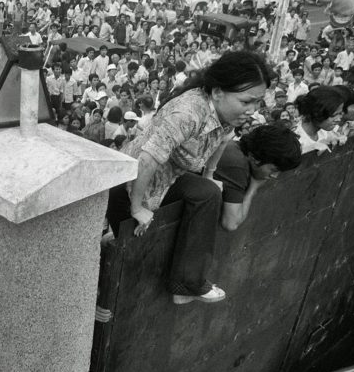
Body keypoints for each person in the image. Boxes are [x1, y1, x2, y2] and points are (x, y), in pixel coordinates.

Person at [106, 51, 270, 305]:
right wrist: (136, 208)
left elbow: (221, 140)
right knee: (136, 259)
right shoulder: (188, 114)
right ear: (217, 92)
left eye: (257, 102)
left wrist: (209, 175)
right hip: (130, 184)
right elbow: (147, 160)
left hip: (168, 178)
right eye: (247, 101)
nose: (252, 110)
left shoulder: (226, 114)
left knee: (207, 192)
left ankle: (186, 283)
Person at [213, 125, 302, 231]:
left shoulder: (236, 150)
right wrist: (253, 188)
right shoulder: (236, 164)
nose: (274, 176)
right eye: (273, 170)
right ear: (255, 157)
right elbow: (231, 223)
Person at [293, 85, 346, 154]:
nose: (338, 119)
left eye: (340, 113)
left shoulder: (326, 132)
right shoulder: (295, 141)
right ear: (317, 113)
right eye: (334, 115)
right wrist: (310, 149)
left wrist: (338, 141)